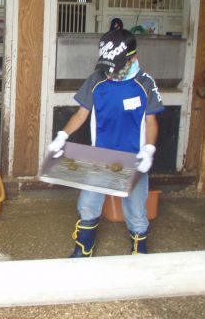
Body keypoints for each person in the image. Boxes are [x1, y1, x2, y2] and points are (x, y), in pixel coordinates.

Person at [47, 29, 164, 257]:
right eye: (108, 67)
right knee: (88, 204)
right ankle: (84, 248)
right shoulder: (96, 80)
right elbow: (81, 114)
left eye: (118, 67)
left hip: (134, 158)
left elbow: (151, 122)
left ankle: (140, 250)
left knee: (137, 209)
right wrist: (62, 135)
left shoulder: (145, 84)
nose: (111, 73)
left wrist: (149, 149)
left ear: (134, 58)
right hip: (101, 156)